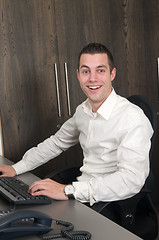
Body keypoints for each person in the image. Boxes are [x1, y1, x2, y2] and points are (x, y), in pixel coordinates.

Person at [0, 43, 153, 207]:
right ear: (78, 75)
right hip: (81, 195)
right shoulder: (83, 111)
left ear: (112, 74)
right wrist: (16, 168)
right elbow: (56, 143)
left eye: (100, 70)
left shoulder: (132, 117)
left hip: (110, 204)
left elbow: (131, 180)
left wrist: (68, 190)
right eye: (86, 71)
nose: (92, 78)